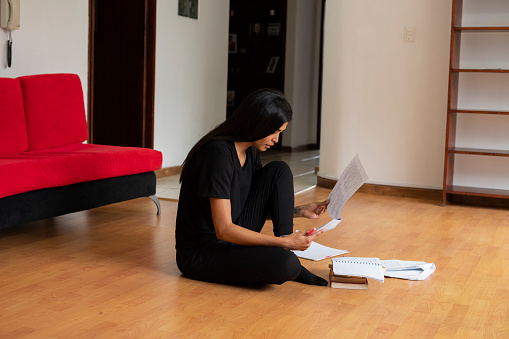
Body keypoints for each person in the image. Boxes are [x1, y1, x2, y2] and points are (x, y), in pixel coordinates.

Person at [175, 88, 329, 286]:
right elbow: (224, 229)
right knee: (286, 265)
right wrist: (285, 242)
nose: (276, 139)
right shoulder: (217, 155)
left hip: (232, 236)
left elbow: (247, 208)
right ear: (258, 122)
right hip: (203, 252)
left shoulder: (250, 152)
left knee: (279, 169)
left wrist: (299, 211)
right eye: (274, 131)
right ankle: (289, 256)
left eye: (280, 132)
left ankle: (288, 252)